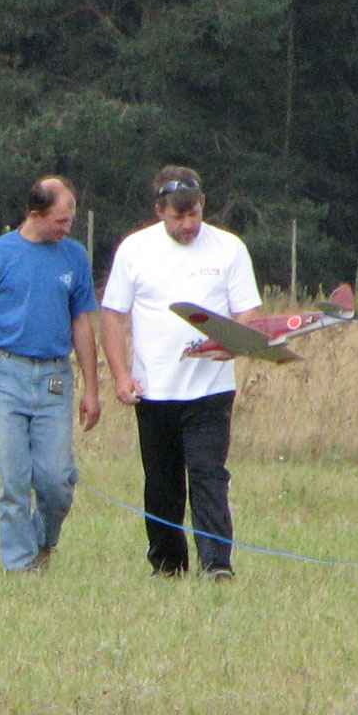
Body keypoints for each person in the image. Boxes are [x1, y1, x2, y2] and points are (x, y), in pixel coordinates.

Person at [98, 165, 260, 579]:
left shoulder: (229, 248)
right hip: (153, 390)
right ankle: (168, 564)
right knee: (162, 481)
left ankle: (216, 564)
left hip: (210, 390)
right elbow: (113, 316)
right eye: (178, 217)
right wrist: (120, 375)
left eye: (194, 214)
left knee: (208, 475)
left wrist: (236, 342)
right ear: (160, 211)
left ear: (203, 205)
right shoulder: (135, 250)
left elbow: (248, 312)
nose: (188, 225)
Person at [0, 176, 102, 572]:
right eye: (60, 221)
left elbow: (82, 322)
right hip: (5, 373)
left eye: (71, 220)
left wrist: (92, 389)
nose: (67, 229)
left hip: (54, 377)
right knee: (14, 478)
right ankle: (20, 564)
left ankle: (44, 542)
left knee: (56, 480)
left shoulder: (75, 256)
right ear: (35, 214)